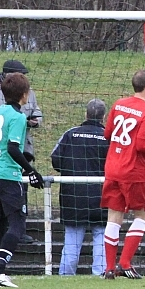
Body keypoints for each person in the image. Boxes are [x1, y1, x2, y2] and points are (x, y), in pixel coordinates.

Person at [100, 71, 145, 279]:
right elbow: (141, 145)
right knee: (143, 215)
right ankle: (125, 263)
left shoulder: (119, 104)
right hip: (133, 171)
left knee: (114, 217)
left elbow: (107, 134)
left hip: (112, 168)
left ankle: (109, 268)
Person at [0, 73, 46, 288]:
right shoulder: (18, 117)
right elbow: (12, 147)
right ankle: (0, 271)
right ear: (24, 94)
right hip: (8, 177)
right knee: (17, 224)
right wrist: (31, 170)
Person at [50, 99, 110, 276]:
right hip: (102, 195)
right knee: (101, 237)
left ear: (86, 114)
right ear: (104, 116)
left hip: (73, 196)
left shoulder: (70, 134)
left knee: (72, 240)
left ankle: (66, 275)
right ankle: (100, 274)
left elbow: (56, 160)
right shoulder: (108, 137)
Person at [0, 59, 43, 162]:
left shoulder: (28, 91)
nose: (23, 79)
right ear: (8, 76)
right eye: (20, 76)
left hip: (24, 148)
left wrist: (34, 121)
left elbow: (36, 111)